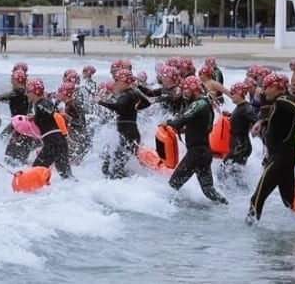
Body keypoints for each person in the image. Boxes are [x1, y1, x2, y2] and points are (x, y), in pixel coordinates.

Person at [246, 72, 295, 225]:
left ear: (275, 87)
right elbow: (282, 122)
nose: (263, 91)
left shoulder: (283, 101)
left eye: (266, 88)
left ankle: (249, 237)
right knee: (290, 203)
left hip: (280, 159)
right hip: (285, 159)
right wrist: (263, 121)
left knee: (256, 199)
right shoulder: (280, 102)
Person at [166, 76, 228, 204]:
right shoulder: (205, 104)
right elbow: (201, 127)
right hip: (204, 152)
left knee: (173, 184)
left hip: (197, 153)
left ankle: (169, 210)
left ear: (194, 90)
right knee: (208, 190)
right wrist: (183, 130)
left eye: (187, 90)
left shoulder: (199, 104)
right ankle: (225, 205)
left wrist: (167, 123)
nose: (185, 93)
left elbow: (181, 119)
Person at [98, 69, 151, 179]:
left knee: (117, 167)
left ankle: (127, 186)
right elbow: (147, 103)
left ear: (124, 82)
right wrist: (134, 108)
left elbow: (117, 107)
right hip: (130, 134)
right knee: (113, 165)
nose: (115, 83)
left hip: (129, 135)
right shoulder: (134, 92)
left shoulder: (127, 94)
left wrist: (100, 102)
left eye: (117, 81)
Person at [27, 78, 72, 179]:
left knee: (35, 172)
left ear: (35, 92)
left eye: (28, 91)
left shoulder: (42, 103)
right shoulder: (43, 103)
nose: (27, 94)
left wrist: (66, 135)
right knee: (66, 176)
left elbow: (57, 116)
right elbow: (52, 114)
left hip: (53, 142)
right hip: (59, 142)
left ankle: (37, 194)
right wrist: (35, 116)